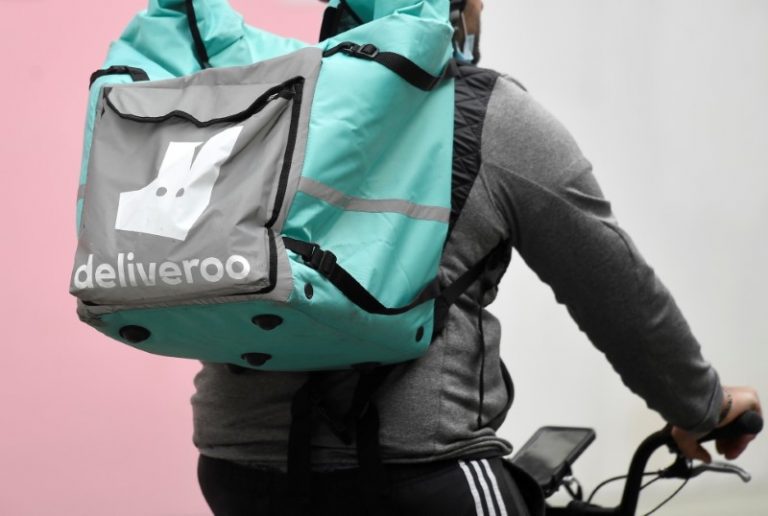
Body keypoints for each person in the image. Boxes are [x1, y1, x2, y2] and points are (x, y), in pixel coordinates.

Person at [191, 1, 762, 514]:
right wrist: (702, 406)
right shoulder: (489, 113)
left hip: (239, 473)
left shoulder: (274, 96)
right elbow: (617, 292)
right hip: (420, 470)